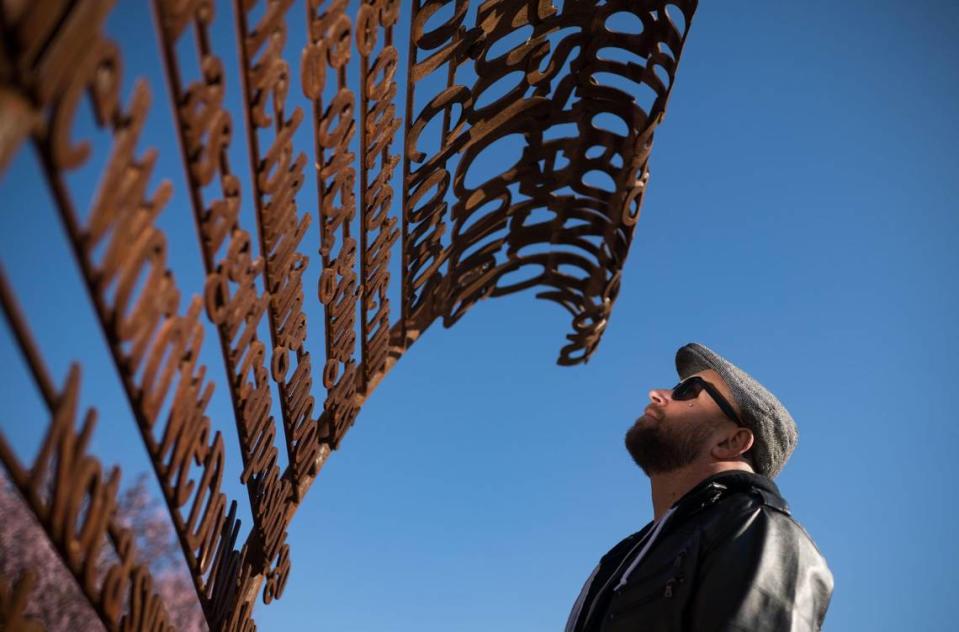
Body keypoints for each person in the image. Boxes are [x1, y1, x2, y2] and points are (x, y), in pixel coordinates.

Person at [566, 343, 833, 632]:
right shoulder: (622, 557)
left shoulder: (761, 531)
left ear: (731, 442)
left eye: (688, 391)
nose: (659, 395)